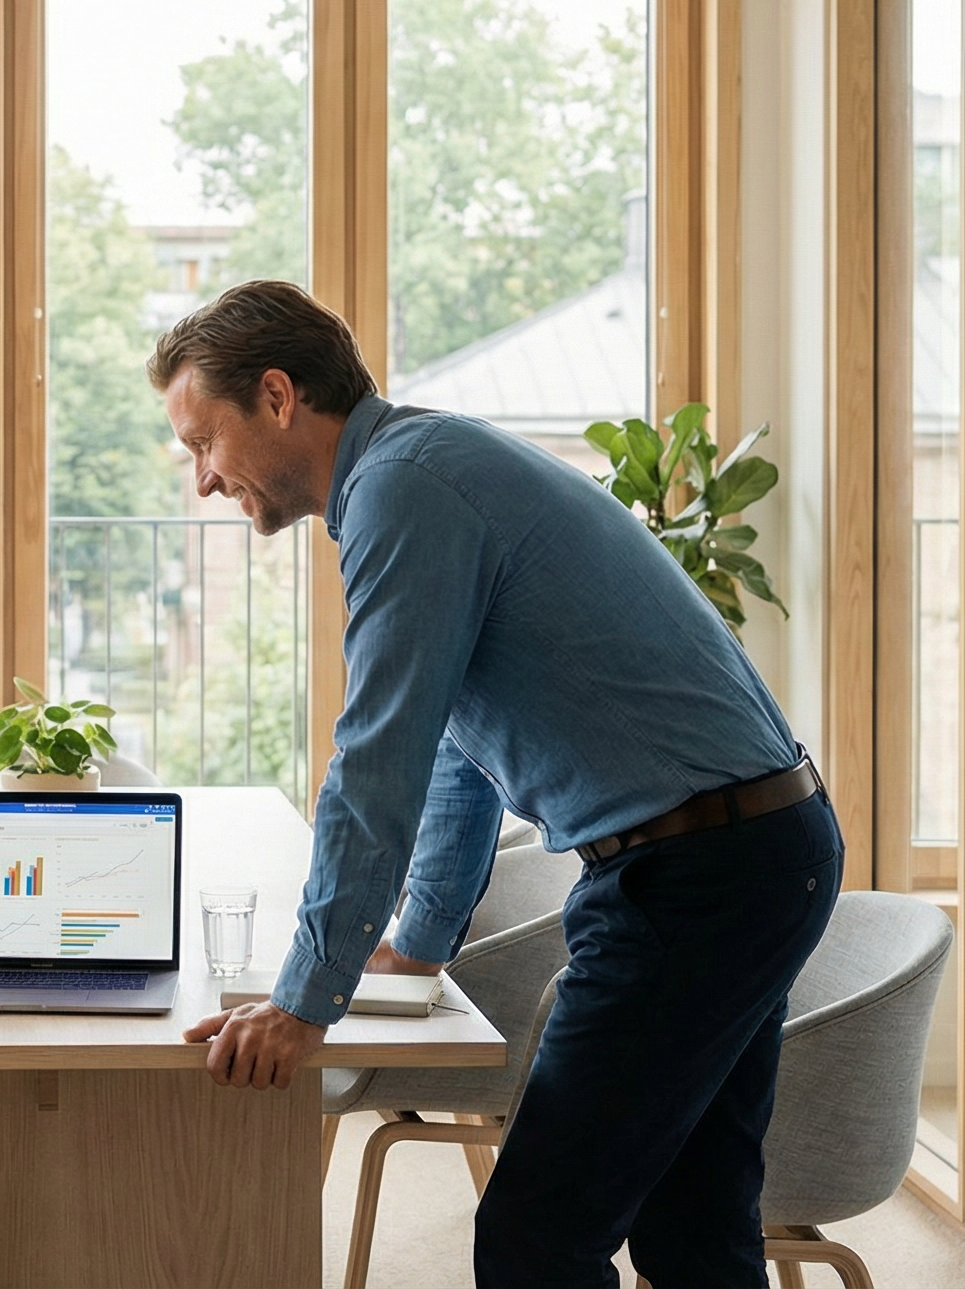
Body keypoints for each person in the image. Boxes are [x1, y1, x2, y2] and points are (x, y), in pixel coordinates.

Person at [160, 281, 841, 1289]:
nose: (205, 479)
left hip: (698, 876)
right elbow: (451, 753)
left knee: (537, 1238)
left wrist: (305, 1001)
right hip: (747, 852)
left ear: (275, 395)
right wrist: (416, 946)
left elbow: (376, 762)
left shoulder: (404, 489)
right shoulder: (419, 466)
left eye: (202, 442)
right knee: (691, 1231)